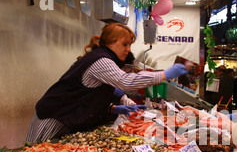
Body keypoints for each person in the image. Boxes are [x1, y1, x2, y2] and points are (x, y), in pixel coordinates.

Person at [26, 23, 189, 143]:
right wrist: (163, 74)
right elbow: (125, 81)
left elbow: (89, 95)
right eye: (124, 44)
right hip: (53, 116)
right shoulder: (101, 60)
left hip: (69, 117)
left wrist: (112, 108)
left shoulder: (106, 59)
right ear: (110, 43)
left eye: (129, 45)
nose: (128, 49)